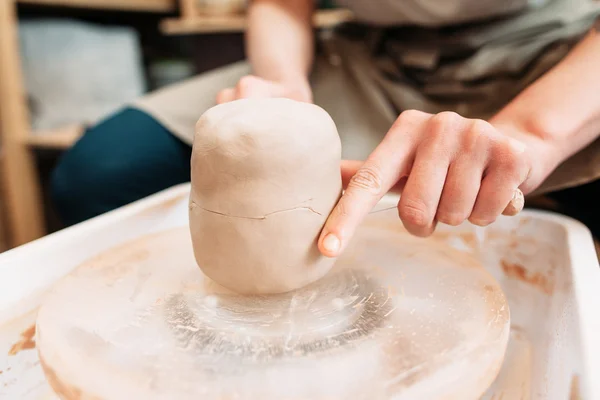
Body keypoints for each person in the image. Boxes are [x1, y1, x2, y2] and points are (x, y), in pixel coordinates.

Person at [51, 0, 600, 258]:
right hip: (371, 56)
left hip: (555, 49)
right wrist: (283, 85)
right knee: (101, 172)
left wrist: (533, 132)